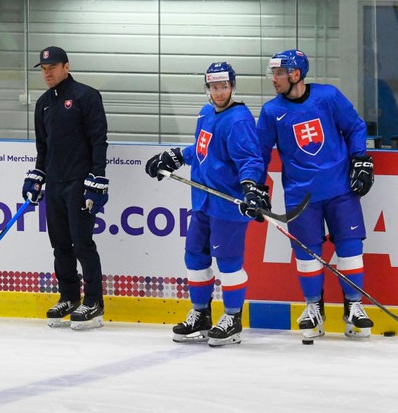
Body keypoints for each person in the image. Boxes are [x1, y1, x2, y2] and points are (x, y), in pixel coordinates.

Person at [145, 62, 268, 347]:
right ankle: (201, 316)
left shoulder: (239, 119)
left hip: (228, 204)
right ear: (208, 88)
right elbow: (201, 149)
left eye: (224, 86)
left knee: (228, 263)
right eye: (214, 86)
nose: (219, 91)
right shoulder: (206, 112)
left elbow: (251, 159)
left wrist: (250, 187)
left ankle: (233, 318)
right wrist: (176, 156)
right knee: (195, 258)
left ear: (233, 86)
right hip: (202, 201)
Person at [257, 49, 375, 339]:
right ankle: (314, 308)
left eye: (279, 73)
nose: (274, 79)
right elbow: (258, 154)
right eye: (272, 73)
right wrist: (257, 186)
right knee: (307, 253)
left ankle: (354, 307)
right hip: (301, 196)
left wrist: (360, 158)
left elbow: (355, 127)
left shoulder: (328, 96)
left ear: (295, 74)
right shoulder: (272, 111)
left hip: (340, 189)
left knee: (350, 247)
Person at [22, 46, 109, 330]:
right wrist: (37, 176)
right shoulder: (43, 103)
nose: (47, 73)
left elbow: (98, 140)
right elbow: (43, 148)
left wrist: (97, 179)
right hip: (55, 184)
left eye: (53, 67)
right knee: (60, 244)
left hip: (79, 182)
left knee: (82, 243)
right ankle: (69, 296)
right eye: (44, 69)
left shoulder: (86, 96)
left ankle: (94, 302)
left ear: (66, 67)